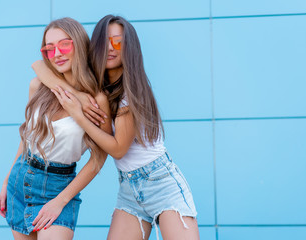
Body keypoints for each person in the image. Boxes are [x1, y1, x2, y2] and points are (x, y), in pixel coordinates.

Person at [32, 15, 200, 240]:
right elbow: (39, 66)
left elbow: (118, 149)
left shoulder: (133, 92)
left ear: (130, 47)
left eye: (118, 42)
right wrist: (80, 97)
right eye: (105, 42)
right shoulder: (98, 85)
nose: (111, 48)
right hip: (129, 188)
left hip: (161, 183)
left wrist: (78, 115)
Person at [0, 17, 111, 240]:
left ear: (79, 44)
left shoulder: (96, 101)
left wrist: (60, 201)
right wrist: (5, 180)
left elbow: (98, 159)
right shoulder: (38, 86)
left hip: (60, 187)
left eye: (64, 45)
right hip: (21, 182)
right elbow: (28, 139)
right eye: (50, 49)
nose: (57, 53)